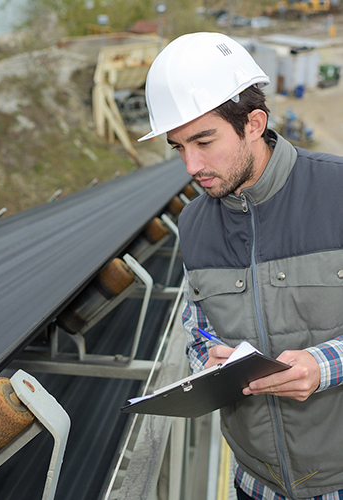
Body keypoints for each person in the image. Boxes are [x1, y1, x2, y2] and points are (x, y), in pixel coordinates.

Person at [139, 32, 343, 500]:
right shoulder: (193, 224)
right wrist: (208, 362)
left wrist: (323, 364)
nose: (191, 165)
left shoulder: (337, 192)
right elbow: (197, 334)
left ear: (254, 122)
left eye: (204, 141)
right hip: (255, 485)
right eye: (178, 147)